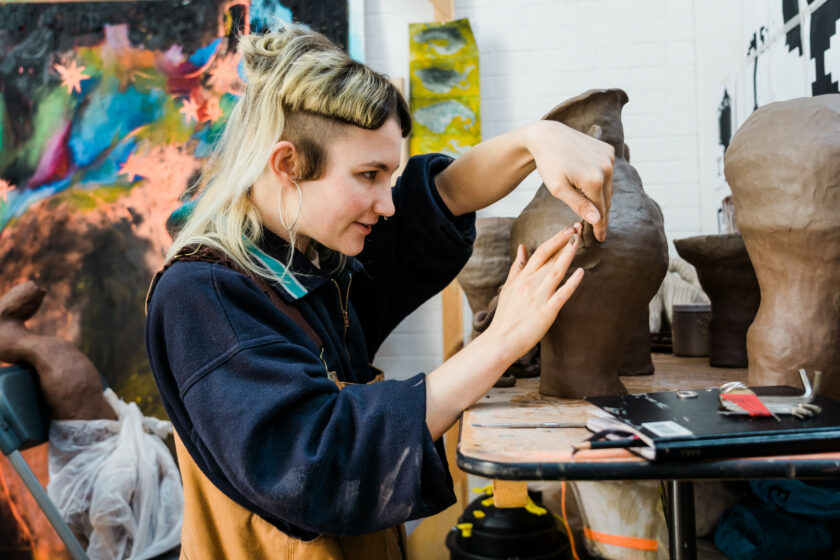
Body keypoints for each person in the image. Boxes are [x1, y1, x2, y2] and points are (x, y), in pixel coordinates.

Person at [145, 25, 614, 560]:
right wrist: (500, 341)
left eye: (388, 175)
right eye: (368, 174)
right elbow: (318, 464)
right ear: (287, 165)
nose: (386, 203)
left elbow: (443, 194)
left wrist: (535, 140)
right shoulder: (204, 297)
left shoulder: (309, 258)